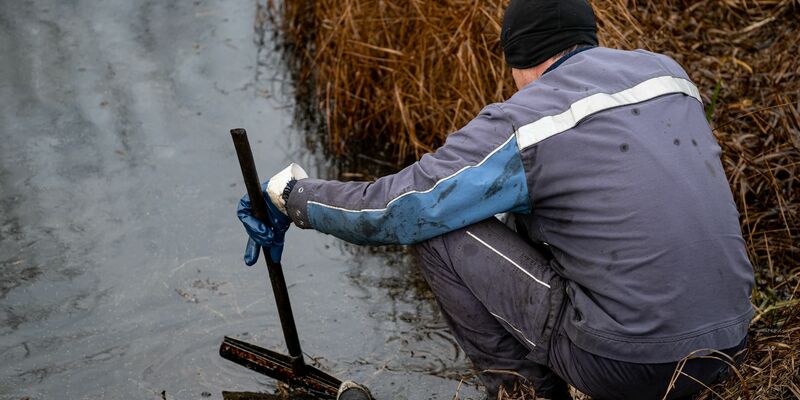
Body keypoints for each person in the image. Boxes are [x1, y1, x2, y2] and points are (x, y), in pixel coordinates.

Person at [237, 0, 755, 398]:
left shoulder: (529, 119)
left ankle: (524, 393)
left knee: (439, 228)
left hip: (635, 367)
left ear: (520, 56)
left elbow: (396, 210)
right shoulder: (668, 77)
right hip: (729, 341)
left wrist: (292, 196)